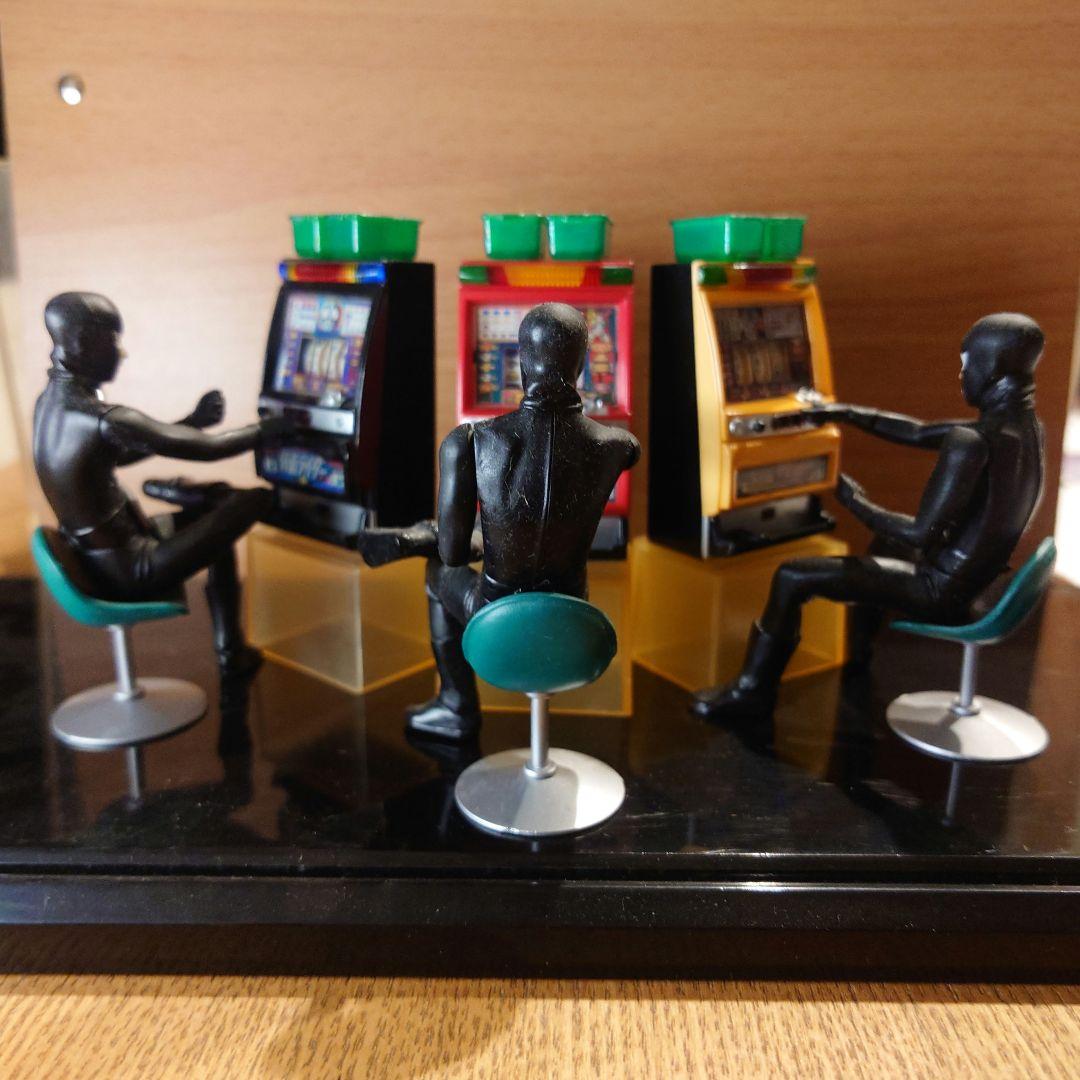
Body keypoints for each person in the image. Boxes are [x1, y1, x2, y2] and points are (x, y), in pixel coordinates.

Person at [692, 312, 1046, 722]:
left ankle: (751, 694)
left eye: (966, 363)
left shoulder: (971, 442)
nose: (962, 374)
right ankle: (858, 656)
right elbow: (917, 431)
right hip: (979, 583)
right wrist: (839, 412)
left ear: (991, 366)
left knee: (792, 577)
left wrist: (853, 500)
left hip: (940, 592)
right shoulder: (1027, 429)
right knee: (885, 544)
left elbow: (918, 535)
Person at [359, 302, 640, 740]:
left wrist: (447, 538)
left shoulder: (470, 441)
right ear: (582, 365)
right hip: (574, 619)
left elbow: (453, 555)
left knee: (437, 571)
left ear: (521, 364)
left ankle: (456, 704)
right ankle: (429, 538)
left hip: (497, 615)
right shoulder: (619, 446)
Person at [32, 291, 289, 674]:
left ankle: (230, 653)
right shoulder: (103, 418)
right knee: (253, 500)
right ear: (83, 342)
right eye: (113, 340)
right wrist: (270, 429)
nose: (121, 352)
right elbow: (211, 449)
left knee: (214, 526)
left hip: (99, 560)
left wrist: (191, 421)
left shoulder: (49, 404)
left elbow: (114, 455)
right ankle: (183, 493)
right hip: (133, 569)